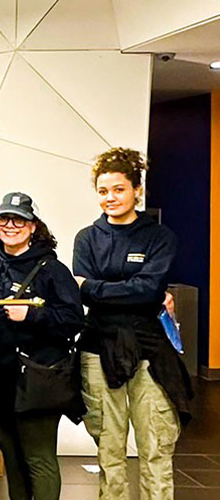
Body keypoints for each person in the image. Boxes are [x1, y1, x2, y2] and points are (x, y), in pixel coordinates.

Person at [73, 147, 189, 500]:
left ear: (137, 190)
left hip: (150, 350)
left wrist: (96, 287)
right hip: (99, 348)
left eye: (119, 189)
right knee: (109, 449)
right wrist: (130, 290)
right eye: (103, 191)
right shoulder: (87, 238)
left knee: (156, 445)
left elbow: (148, 289)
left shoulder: (160, 237)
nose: (110, 197)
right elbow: (86, 296)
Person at [0, 192, 84, 500]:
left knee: (39, 459)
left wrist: (32, 315)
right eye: (4, 218)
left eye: (19, 220)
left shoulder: (52, 270)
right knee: (11, 458)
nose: (10, 226)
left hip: (39, 378)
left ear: (32, 226)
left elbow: (73, 320)